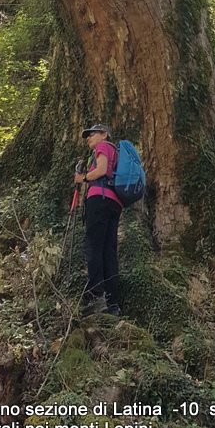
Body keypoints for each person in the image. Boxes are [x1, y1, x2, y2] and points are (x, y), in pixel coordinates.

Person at [74, 123, 122, 316]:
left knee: (94, 247)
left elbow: (101, 170)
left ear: (104, 134)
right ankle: (113, 303)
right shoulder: (116, 152)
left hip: (99, 199)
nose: (88, 138)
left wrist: (84, 178)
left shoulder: (103, 146)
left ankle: (96, 296)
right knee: (108, 251)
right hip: (114, 202)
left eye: (92, 134)